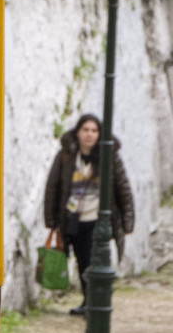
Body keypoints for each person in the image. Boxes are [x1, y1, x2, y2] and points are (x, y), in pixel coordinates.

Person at [44, 114, 135, 316]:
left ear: (100, 134)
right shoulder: (66, 156)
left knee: (95, 262)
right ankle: (88, 301)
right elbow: (53, 187)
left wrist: (128, 222)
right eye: (85, 130)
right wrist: (51, 220)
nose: (89, 134)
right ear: (77, 132)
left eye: (94, 130)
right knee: (82, 262)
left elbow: (123, 188)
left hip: (98, 220)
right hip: (74, 219)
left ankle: (96, 304)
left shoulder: (109, 157)